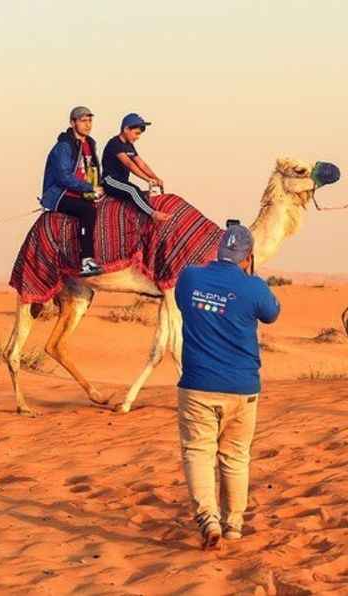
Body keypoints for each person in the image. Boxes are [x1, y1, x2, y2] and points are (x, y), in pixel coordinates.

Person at [174, 223, 280, 550]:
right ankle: (233, 523)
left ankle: (208, 518)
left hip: (197, 386)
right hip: (242, 387)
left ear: (218, 250)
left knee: (198, 451)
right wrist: (250, 279)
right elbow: (272, 313)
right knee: (235, 456)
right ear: (248, 257)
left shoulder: (189, 277)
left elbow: (183, 303)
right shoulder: (254, 287)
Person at [40, 106, 105, 277]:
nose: (88, 124)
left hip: (81, 191)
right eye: (83, 121)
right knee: (87, 210)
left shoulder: (90, 144)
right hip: (60, 194)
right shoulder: (64, 146)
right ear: (73, 122)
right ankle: (86, 260)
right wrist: (90, 188)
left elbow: (91, 171)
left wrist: (96, 189)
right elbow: (63, 177)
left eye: (90, 120)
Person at [101, 113, 171, 222]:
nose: (138, 137)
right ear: (126, 129)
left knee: (142, 193)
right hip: (111, 181)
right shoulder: (114, 144)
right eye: (136, 133)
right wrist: (148, 179)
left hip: (122, 181)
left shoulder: (129, 145)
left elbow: (141, 164)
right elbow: (130, 164)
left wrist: (156, 178)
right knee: (133, 190)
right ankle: (153, 214)